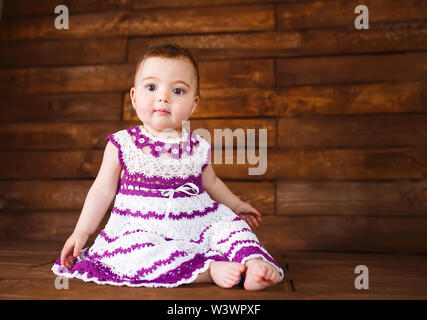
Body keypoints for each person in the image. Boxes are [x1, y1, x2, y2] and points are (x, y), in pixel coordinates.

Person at [51, 43, 284, 290]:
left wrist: (237, 206)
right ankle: (208, 270)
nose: (163, 97)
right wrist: (81, 232)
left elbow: (212, 183)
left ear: (194, 104)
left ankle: (254, 262)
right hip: (141, 228)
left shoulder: (197, 146)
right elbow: (102, 190)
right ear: (134, 96)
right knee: (134, 255)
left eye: (178, 91)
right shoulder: (123, 144)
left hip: (196, 224)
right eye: (151, 87)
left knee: (231, 229)